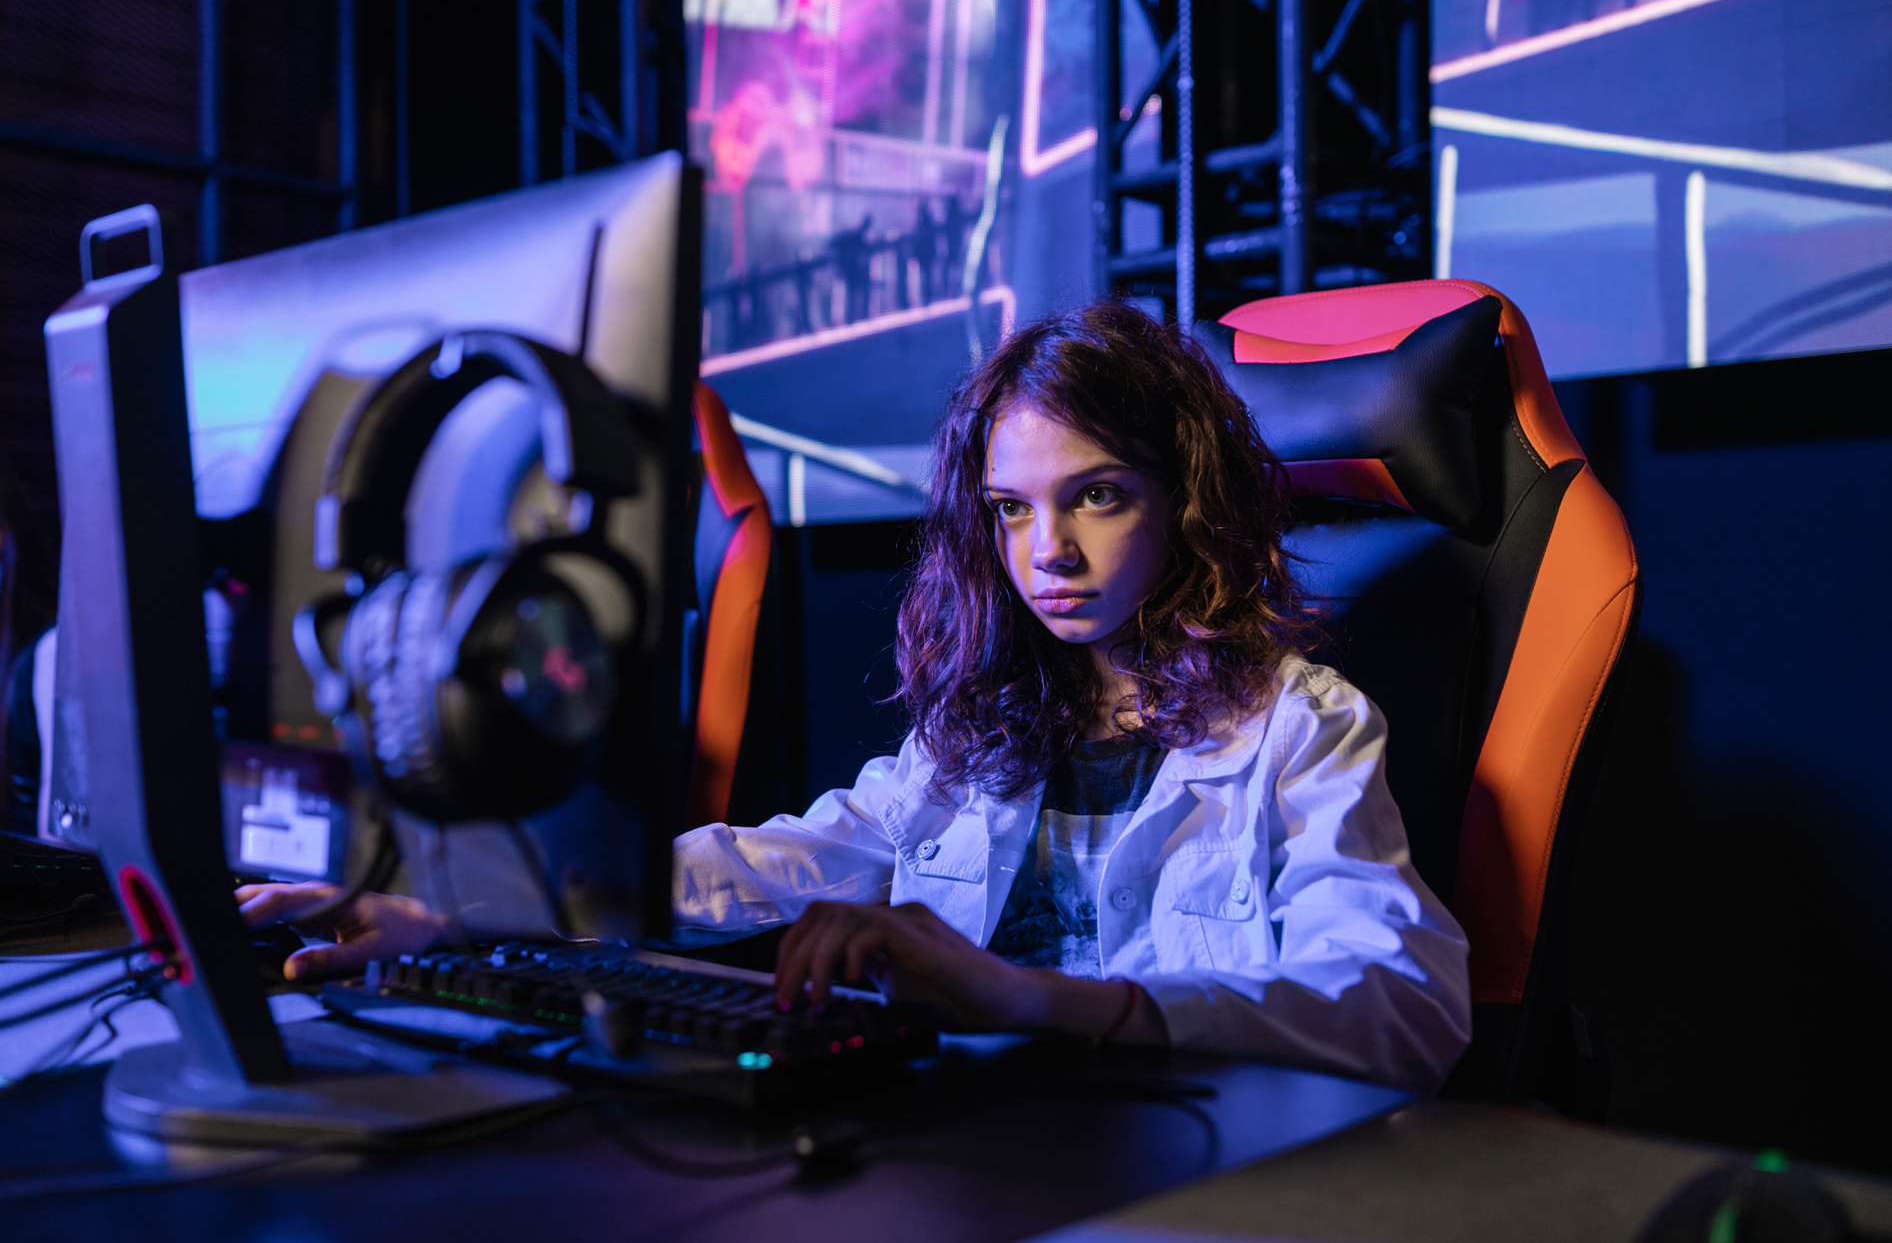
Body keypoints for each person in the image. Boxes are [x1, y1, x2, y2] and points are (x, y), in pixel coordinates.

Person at [240, 301, 1472, 1092]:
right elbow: (775, 862)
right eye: (1009, 508)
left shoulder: (1299, 725)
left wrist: (1055, 1002)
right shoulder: (980, 730)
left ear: (1180, 503)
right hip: (993, 1163)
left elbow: (1406, 1004)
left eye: (1097, 495)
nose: (1046, 549)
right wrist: (463, 909)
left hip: (1193, 1182)